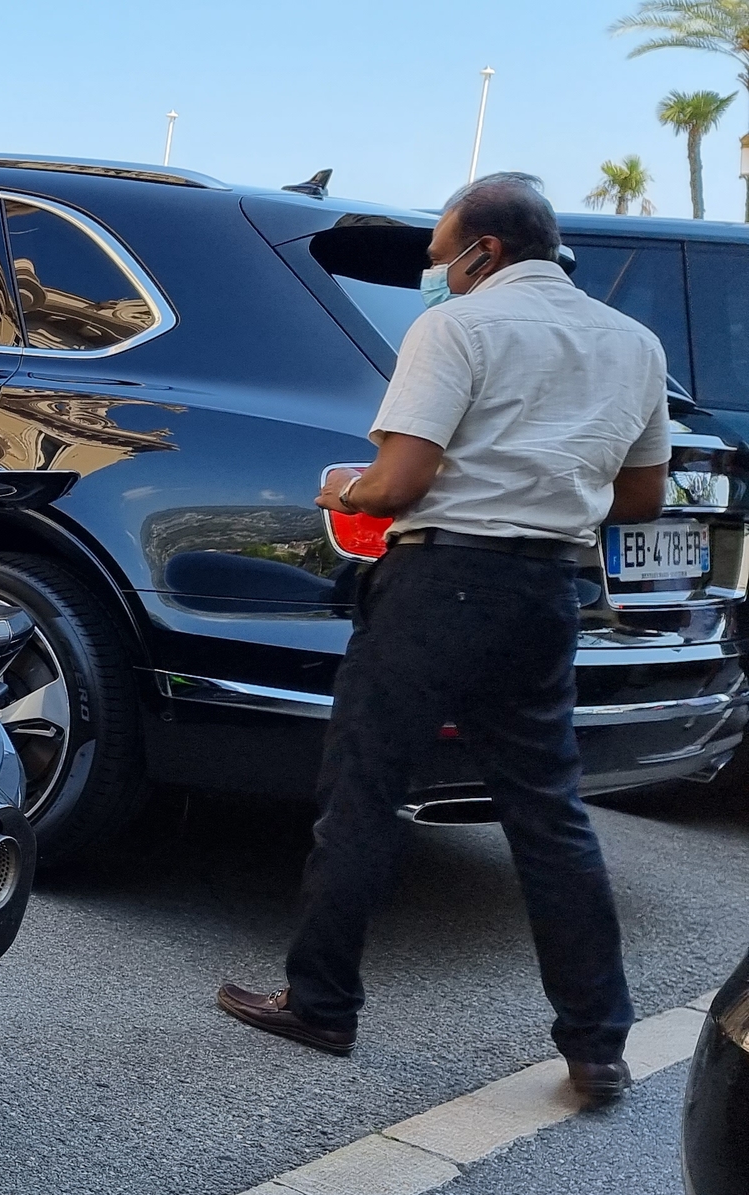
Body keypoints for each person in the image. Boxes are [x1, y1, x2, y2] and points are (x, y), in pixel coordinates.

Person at [218, 174, 670, 1105]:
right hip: (546, 589)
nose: (437, 275)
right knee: (550, 815)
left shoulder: (455, 328)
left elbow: (398, 482)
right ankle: (596, 1046)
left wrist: (342, 488)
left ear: (486, 251)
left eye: (439, 258)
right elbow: (643, 498)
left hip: (439, 581)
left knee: (365, 793)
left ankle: (321, 1003)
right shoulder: (632, 343)